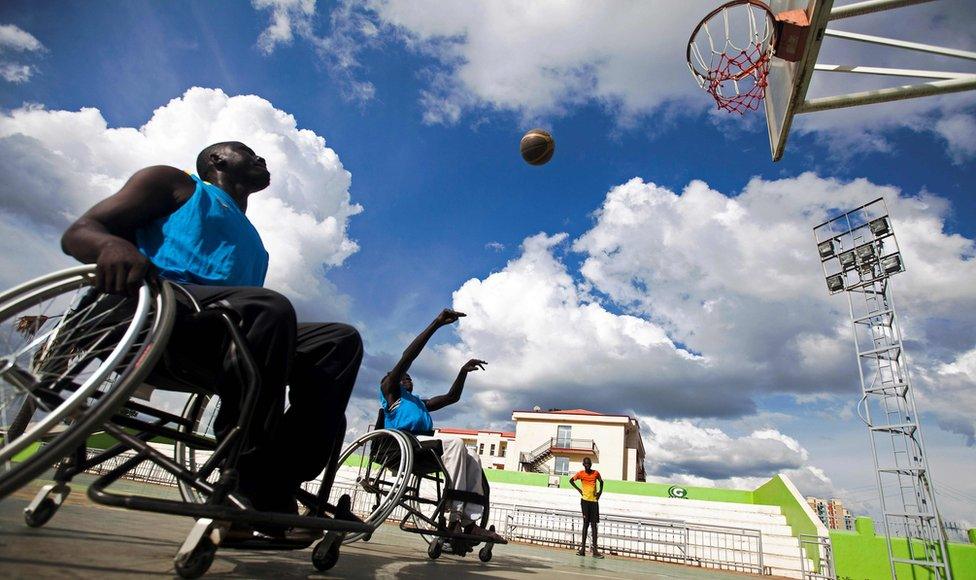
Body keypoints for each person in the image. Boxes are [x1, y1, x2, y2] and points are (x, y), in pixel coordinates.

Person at [60, 142, 363, 526]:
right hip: (153, 311)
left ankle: (278, 480)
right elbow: (80, 232)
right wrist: (110, 244)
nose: (261, 159)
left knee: (338, 341)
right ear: (217, 160)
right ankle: (246, 474)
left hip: (220, 335)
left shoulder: (255, 241)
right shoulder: (176, 184)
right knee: (268, 306)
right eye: (249, 153)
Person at [379, 307, 501, 541]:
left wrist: (463, 372)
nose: (407, 378)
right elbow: (408, 358)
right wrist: (436, 323)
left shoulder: (420, 403)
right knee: (455, 443)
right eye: (403, 376)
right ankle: (454, 516)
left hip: (424, 445)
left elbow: (451, 397)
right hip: (404, 443)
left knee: (473, 454)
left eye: (409, 378)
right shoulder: (391, 392)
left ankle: (469, 521)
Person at [569, 457, 604, 558]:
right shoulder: (580, 474)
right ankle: (582, 549)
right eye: (586, 464)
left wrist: (600, 492)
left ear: (591, 464)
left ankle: (595, 551)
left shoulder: (596, 473)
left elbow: (602, 482)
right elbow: (571, 481)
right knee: (585, 524)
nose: (587, 465)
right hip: (585, 502)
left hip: (594, 502)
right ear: (583, 465)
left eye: (589, 464)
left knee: (594, 526)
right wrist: (579, 490)